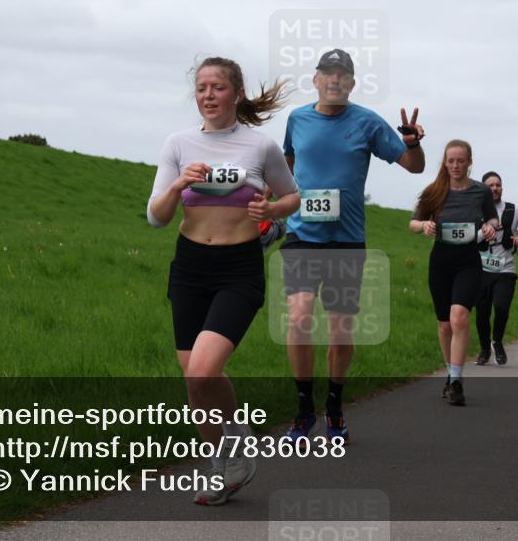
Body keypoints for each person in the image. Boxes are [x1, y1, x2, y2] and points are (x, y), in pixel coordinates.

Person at [147, 57, 301, 506]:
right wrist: (177, 186)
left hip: (239, 267)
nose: (208, 95)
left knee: (203, 369)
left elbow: (291, 196)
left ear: (236, 93)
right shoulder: (178, 144)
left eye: (217, 87)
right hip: (190, 266)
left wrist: (270, 211)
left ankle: (233, 457)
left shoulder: (260, 147)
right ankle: (225, 465)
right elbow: (156, 217)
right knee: (196, 379)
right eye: (201, 88)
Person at [282, 48, 425, 442]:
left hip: (346, 240)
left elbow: (414, 167)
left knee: (341, 330)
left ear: (352, 83)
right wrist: (280, 203)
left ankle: (333, 405)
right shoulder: (297, 119)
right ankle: (302, 408)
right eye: (327, 73)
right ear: (315, 80)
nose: (334, 80)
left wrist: (412, 143)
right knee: (298, 317)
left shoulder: (367, 123)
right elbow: (288, 164)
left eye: (342, 75)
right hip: (301, 235)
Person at [409, 140, 498, 405]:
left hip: (469, 260)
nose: (456, 166)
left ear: (470, 162)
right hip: (441, 261)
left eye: (461, 161)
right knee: (445, 324)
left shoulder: (480, 192)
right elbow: (412, 222)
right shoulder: (435, 191)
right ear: (445, 163)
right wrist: (424, 225)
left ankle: (457, 382)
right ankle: (450, 373)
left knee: (459, 317)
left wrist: (491, 228)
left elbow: (492, 218)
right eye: (451, 161)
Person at [473, 171, 518, 365]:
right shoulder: (476, 210)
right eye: (490, 185)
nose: (494, 188)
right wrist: (483, 233)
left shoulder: (513, 210)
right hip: (481, 270)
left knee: (501, 307)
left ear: (502, 188)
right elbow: (468, 237)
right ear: (483, 188)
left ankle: (497, 341)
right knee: (482, 313)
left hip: (505, 270)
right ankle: (485, 349)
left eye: (498, 185)